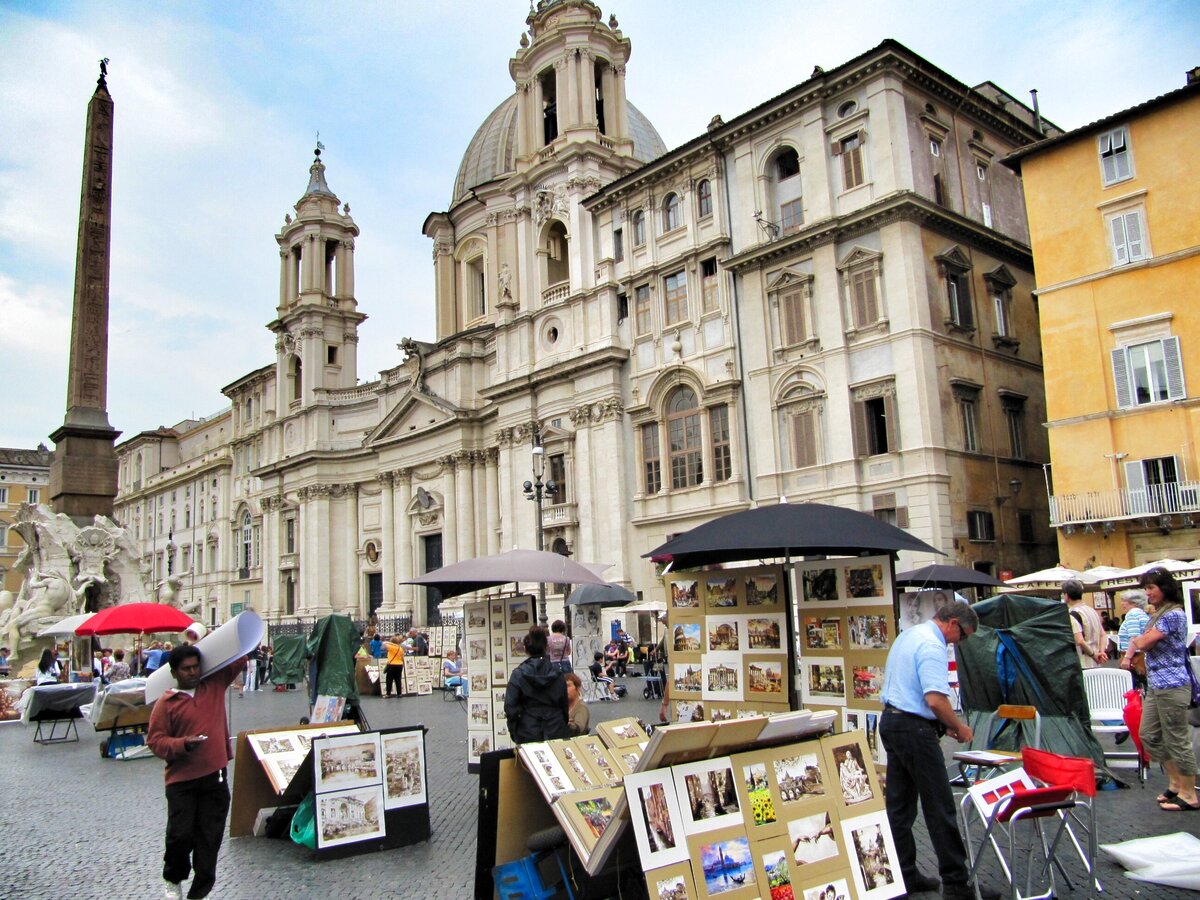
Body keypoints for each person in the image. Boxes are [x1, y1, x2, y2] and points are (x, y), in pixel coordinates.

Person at [879, 602, 997, 900]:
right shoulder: (932, 646)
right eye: (964, 635)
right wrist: (959, 727)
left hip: (891, 722)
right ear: (952, 622)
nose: (962, 642)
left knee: (899, 806)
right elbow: (935, 700)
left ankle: (903, 874)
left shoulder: (909, 635)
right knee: (940, 806)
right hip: (914, 728)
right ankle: (956, 882)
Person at [146, 645, 246, 900]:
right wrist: (181, 744)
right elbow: (155, 741)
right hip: (182, 781)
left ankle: (198, 894)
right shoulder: (165, 704)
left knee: (209, 839)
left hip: (215, 776)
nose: (193, 672)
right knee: (180, 835)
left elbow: (239, 655)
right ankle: (173, 877)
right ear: (174, 672)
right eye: (186, 669)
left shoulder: (213, 686)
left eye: (195, 667)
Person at [1120, 568, 1198, 811]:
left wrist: (1140, 641)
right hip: (1156, 684)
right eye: (1146, 588)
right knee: (1148, 734)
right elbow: (1142, 640)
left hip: (1173, 684)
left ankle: (1189, 794)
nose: (1147, 593)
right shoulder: (1158, 614)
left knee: (1177, 738)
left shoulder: (1173, 614)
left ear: (1164, 588)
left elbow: (1143, 641)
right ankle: (1175, 782)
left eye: (1151, 588)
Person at [504, 625, 569, 743]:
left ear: (526, 649)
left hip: (528, 729)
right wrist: (562, 723)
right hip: (555, 727)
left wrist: (515, 730)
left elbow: (510, 706)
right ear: (546, 647)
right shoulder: (557, 674)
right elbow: (564, 703)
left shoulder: (518, 674)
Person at [565, 671, 589, 736]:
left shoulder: (581, 707)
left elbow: (579, 728)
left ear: (577, 688)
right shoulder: (563, 706)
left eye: (568, 686)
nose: (564, 689)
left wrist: (569, 725)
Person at [382, 633, 406, 698]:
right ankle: (399, 694)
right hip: (399, 665)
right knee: (398, 679)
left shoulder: (391, 647)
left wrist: (390, 643)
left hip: (392, 665)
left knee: (389, 679)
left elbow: (383, 644)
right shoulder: (400, 648)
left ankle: (388, 694)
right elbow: (402, 657)